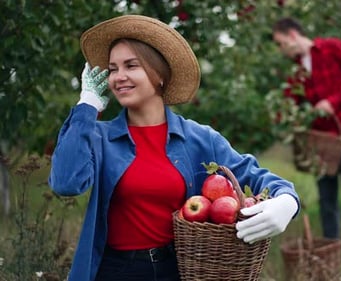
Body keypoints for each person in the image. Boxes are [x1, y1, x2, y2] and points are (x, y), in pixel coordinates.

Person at [49, 15, 300, 281]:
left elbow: (255, 176)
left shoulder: (199, 138)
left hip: (180, 269)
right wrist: (87, 105)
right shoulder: (99, 137)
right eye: (112, 69)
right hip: (116, 271)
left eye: (131, 65)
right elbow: (66, 182)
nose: (118, 77)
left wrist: (287, 201)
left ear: (159, 75)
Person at [272, 17, 341, 276]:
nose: (281, 49)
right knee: (326, 199)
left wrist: (333, 101)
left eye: (281, 43)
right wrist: (283, 115)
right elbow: (292, 101)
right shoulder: (297, 71)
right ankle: (333, 257)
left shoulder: (332, 48)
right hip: (320, 142)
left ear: (293, 34)